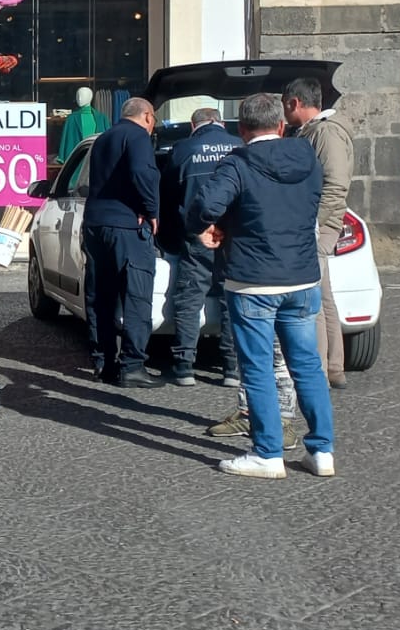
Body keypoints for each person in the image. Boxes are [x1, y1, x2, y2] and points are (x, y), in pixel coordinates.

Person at [187, 92, 336, 480]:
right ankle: (322, 451)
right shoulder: (308, 158)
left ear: (242, 129)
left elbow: (204, 206)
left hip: (253, 280)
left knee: (257, 369)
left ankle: (267, 453)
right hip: (303, 276)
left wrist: (217, 227)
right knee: (307, 367)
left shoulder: (238, 163)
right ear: (281, 125)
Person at [81, 96, 163, 387]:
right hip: (127, 226)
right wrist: (152, 210)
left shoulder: (103, 139)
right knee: (136, 295)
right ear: (147, 117)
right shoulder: (138, 136)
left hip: (95, 224)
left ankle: (103, 363)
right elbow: (143, 173)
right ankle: (132, 366)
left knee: (101, 297)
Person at [159, 107, 243, 388]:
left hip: (197, 234)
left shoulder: (183, 149)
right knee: (232, 299)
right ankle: (232, 368)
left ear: (194, 125)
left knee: (189, 299)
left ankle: (184, 367)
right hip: (234, 236)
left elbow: (168, 197)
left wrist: (170, 238)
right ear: (219, 122)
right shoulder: (239, 146)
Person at [283, 76, 353, 389]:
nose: (284, 114)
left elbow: (335, 185)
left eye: (286, 106)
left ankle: (321, 371)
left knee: (313, 300)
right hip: (318, 223)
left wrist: (311, 224)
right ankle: (334, 366)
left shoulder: (326, 133)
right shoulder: (314, 132)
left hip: (318, 226)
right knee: (323, 296)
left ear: (294, 103)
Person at [57, 86, 108, 165]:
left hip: (96, 159)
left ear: (90, 97)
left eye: (83, 96)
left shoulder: (102, 118)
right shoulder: (71, 119)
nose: (80, 98)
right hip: (77, 160)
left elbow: (108, 140)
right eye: (78, 96)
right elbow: (66, 140)